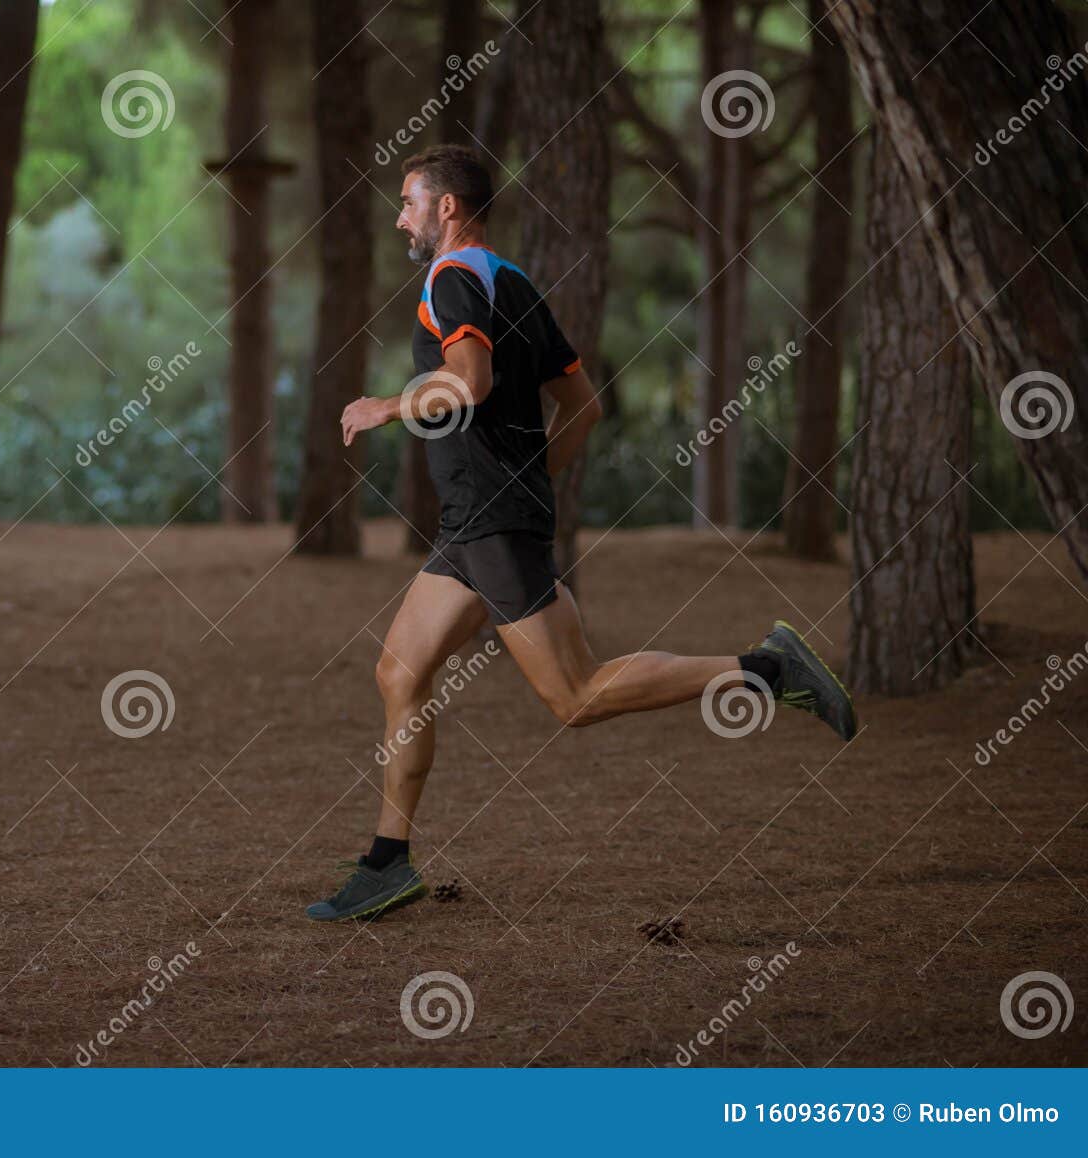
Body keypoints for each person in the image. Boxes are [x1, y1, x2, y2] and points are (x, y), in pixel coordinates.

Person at [305, 145, 856, 922]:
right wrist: (532, 482)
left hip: (492, 520)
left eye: (408, 201)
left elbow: (468, 384)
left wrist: (385, 407)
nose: (401, 216)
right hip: (477, 522)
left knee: (576, 695)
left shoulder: (450, 279)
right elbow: (584, 406)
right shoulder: (516, 284)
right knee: (399, 674)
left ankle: (765, 668)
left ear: (448, 209)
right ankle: (388, 863)